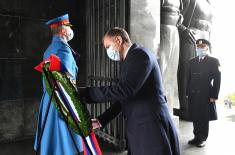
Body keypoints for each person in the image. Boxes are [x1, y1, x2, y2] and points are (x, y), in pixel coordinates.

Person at [79, 27, 180, 155]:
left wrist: (86, 93)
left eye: (108, 47)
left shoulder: (140, 55)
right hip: (140, 126)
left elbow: (126, 90)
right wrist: (101, 120)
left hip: (150, 127)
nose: (108, 52)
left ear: (118, 40)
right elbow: (125, 98)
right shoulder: (131, 59)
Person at [34, 14, 83, 155]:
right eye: (68, 27)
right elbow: (66, 79)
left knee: (52, 143)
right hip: (62, 101)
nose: (70, 30)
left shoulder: (49, 49)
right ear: (63, 31)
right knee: (64, 146)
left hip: (49, 99)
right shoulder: (63, 48)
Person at [186, 39, 221, 147]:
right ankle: (196, 136)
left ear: (207, 48)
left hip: (206, 93)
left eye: (202, 47)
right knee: (195, 115)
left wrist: (214, 96)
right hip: (193, 93)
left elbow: (217, 79)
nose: (199, 49)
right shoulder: (192, 61)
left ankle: (202, 138)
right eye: (198, 47)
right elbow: (189, 78)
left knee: (204, 117)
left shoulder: (213, 61)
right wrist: (187, 92)